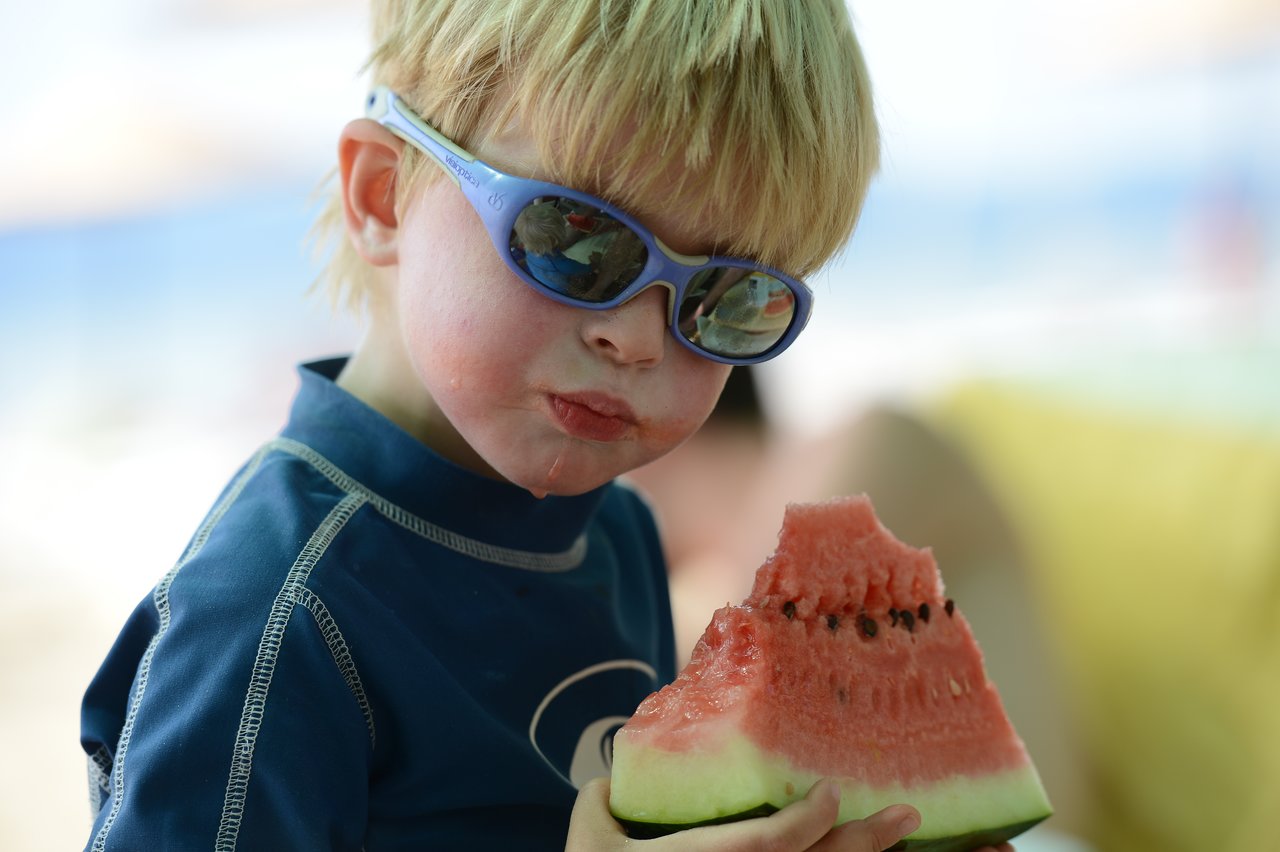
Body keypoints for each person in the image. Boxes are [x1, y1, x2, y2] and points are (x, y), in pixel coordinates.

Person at [78, 1, 1012, 849]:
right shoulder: (273, 617)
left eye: (729, 299)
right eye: (575, 240)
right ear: (381, 196)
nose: (638, 338)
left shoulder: (618, 533)